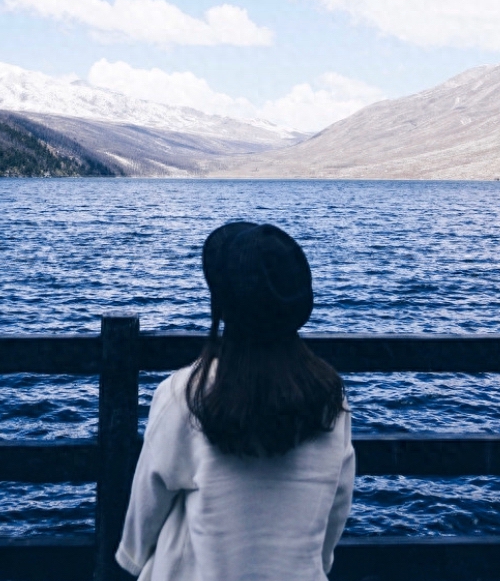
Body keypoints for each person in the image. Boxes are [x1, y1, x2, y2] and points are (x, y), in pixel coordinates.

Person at [116, 221, 355, 581]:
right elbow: (337, 508)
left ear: (224, 306)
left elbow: (146, 509)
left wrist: (131, 558)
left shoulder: (186, 394)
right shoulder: (330, 401)